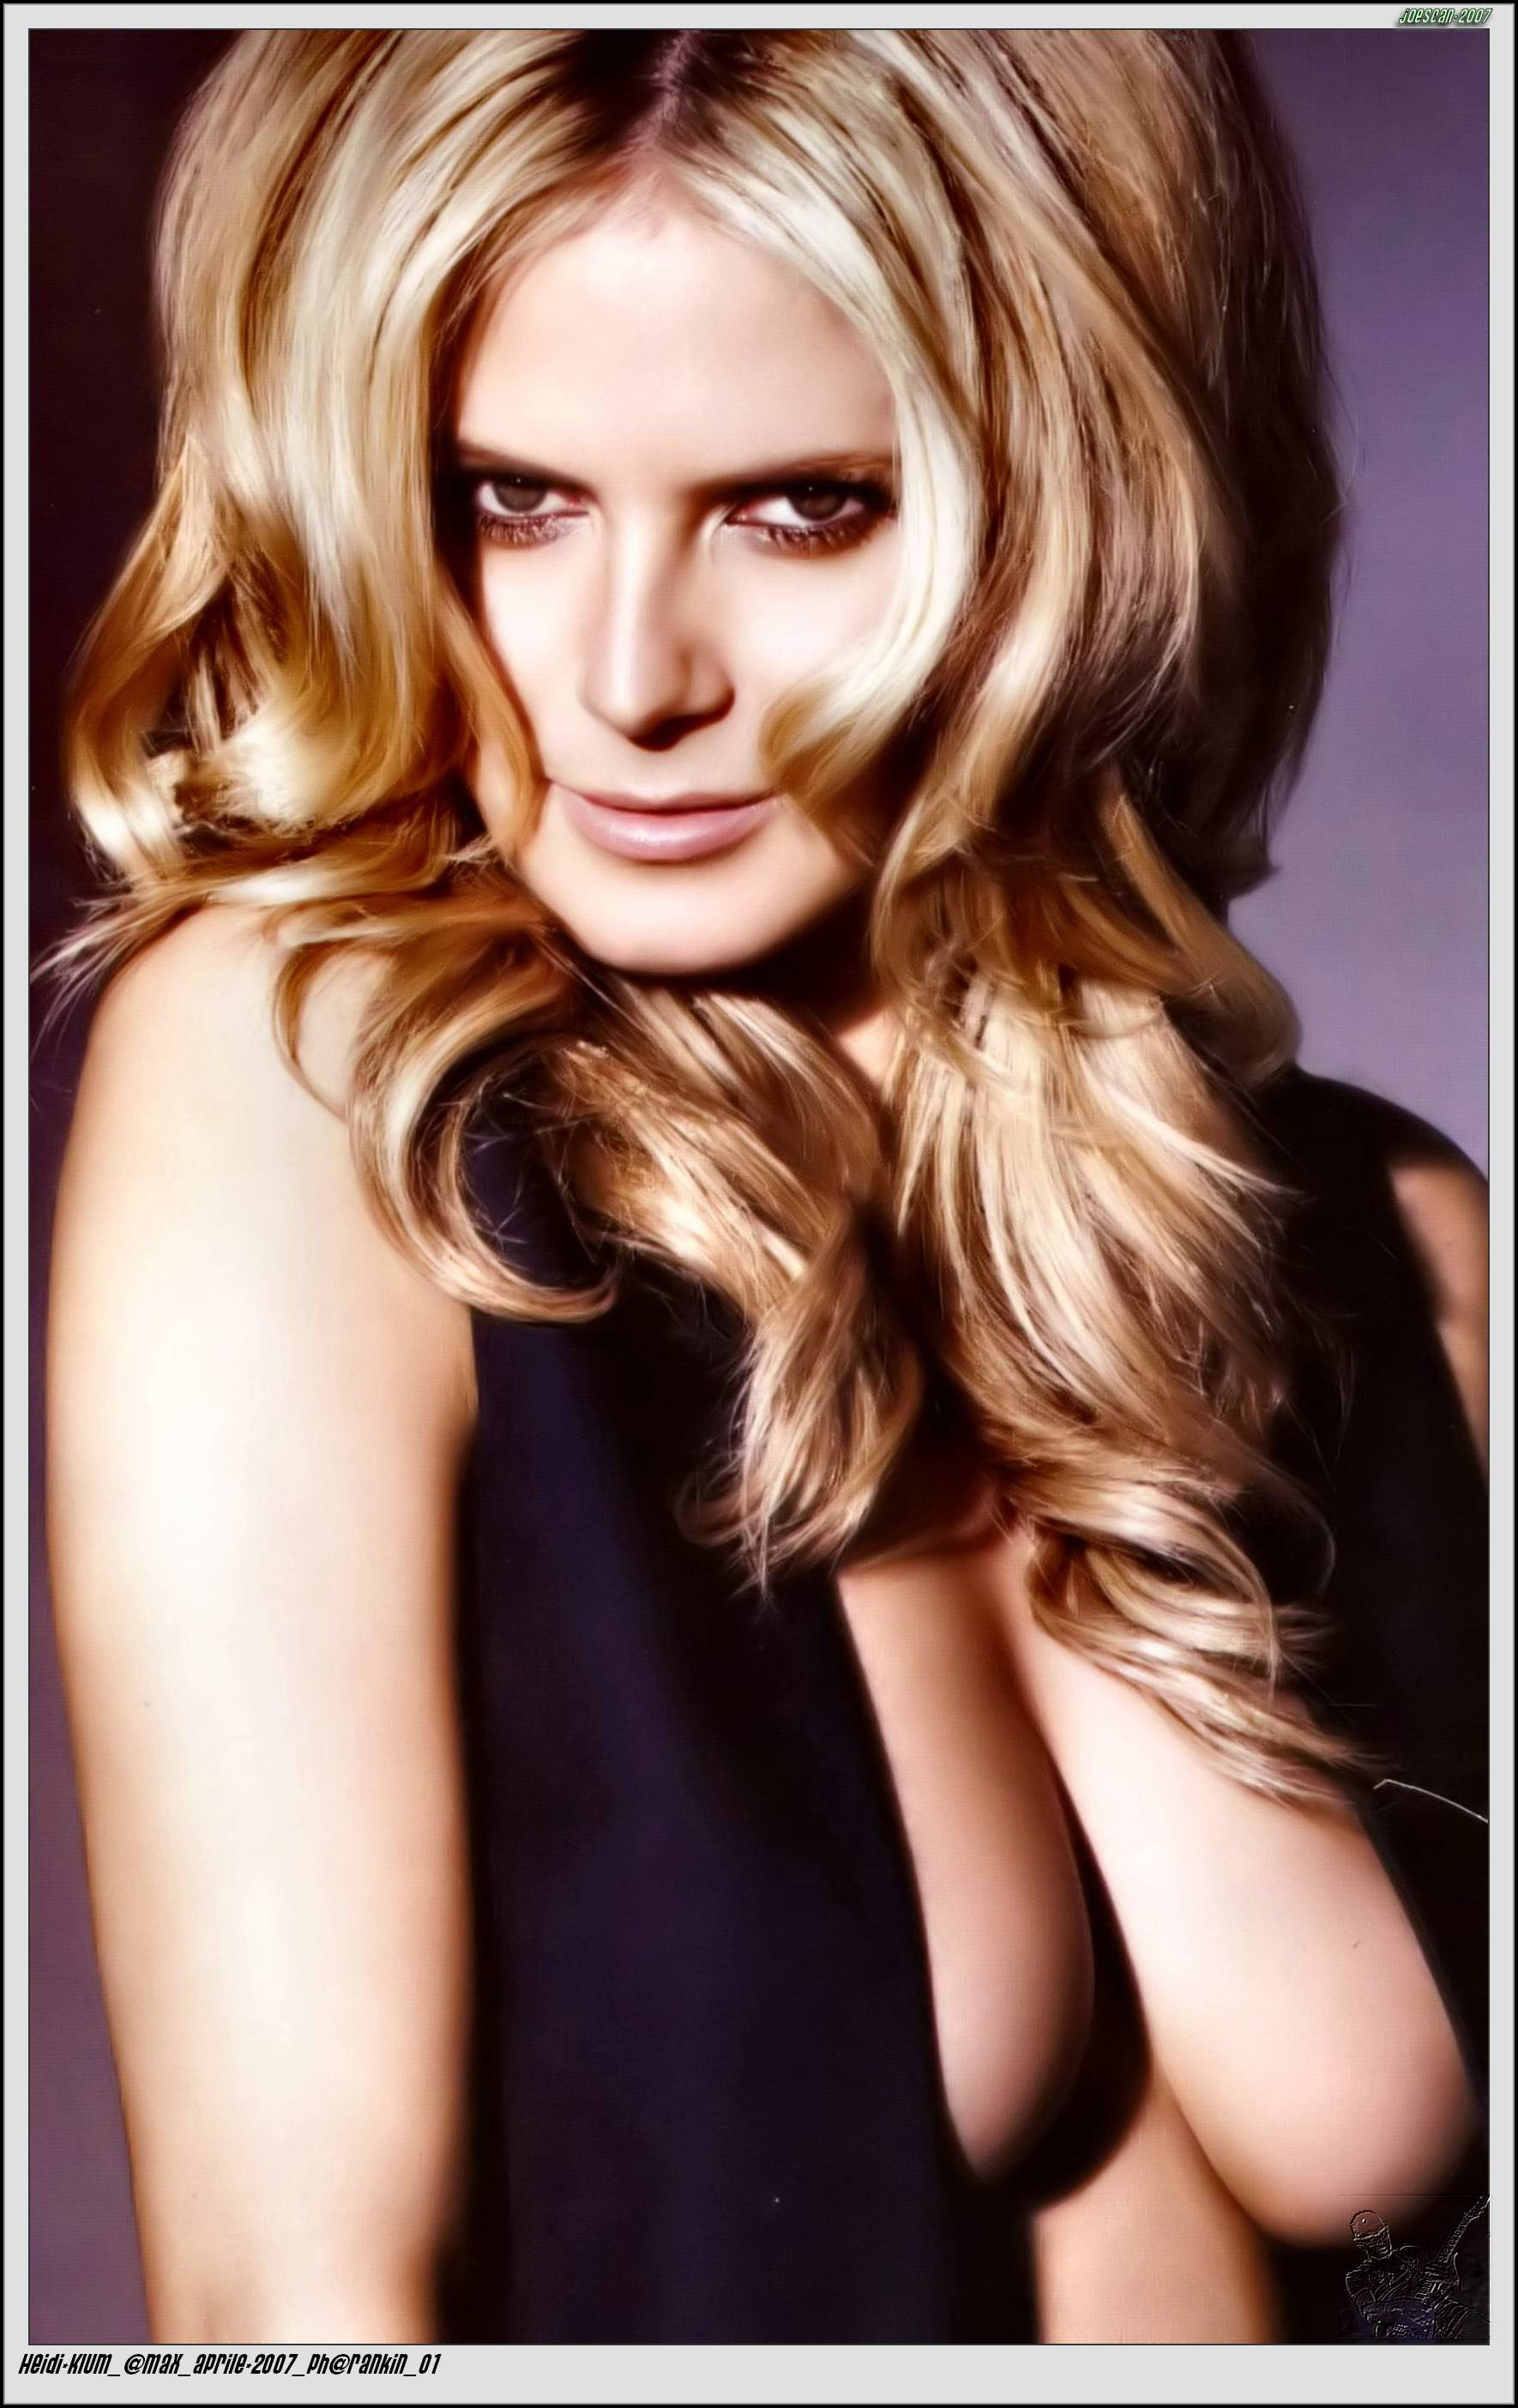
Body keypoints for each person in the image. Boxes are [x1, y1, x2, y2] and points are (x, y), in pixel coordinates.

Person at [41, 30, 1488, 2345]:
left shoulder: (1399, 1251)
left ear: (1085, 494)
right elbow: (287, 2309)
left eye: (803, 508)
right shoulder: (318, 1093)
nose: (628, 678)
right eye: (508, 501)